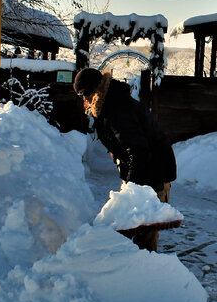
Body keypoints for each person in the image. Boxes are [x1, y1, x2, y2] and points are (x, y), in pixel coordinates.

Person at [74, 67, 177, 251]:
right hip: (143, 168)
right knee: (132, 225)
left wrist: (131, 187)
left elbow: (137, 150)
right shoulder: (109, 105)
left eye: (86, 93)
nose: (84, 99)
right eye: (81, 95)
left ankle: (144, 272)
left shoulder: (118, 108)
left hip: (153, 172)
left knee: (143, 229)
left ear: (97, 89)